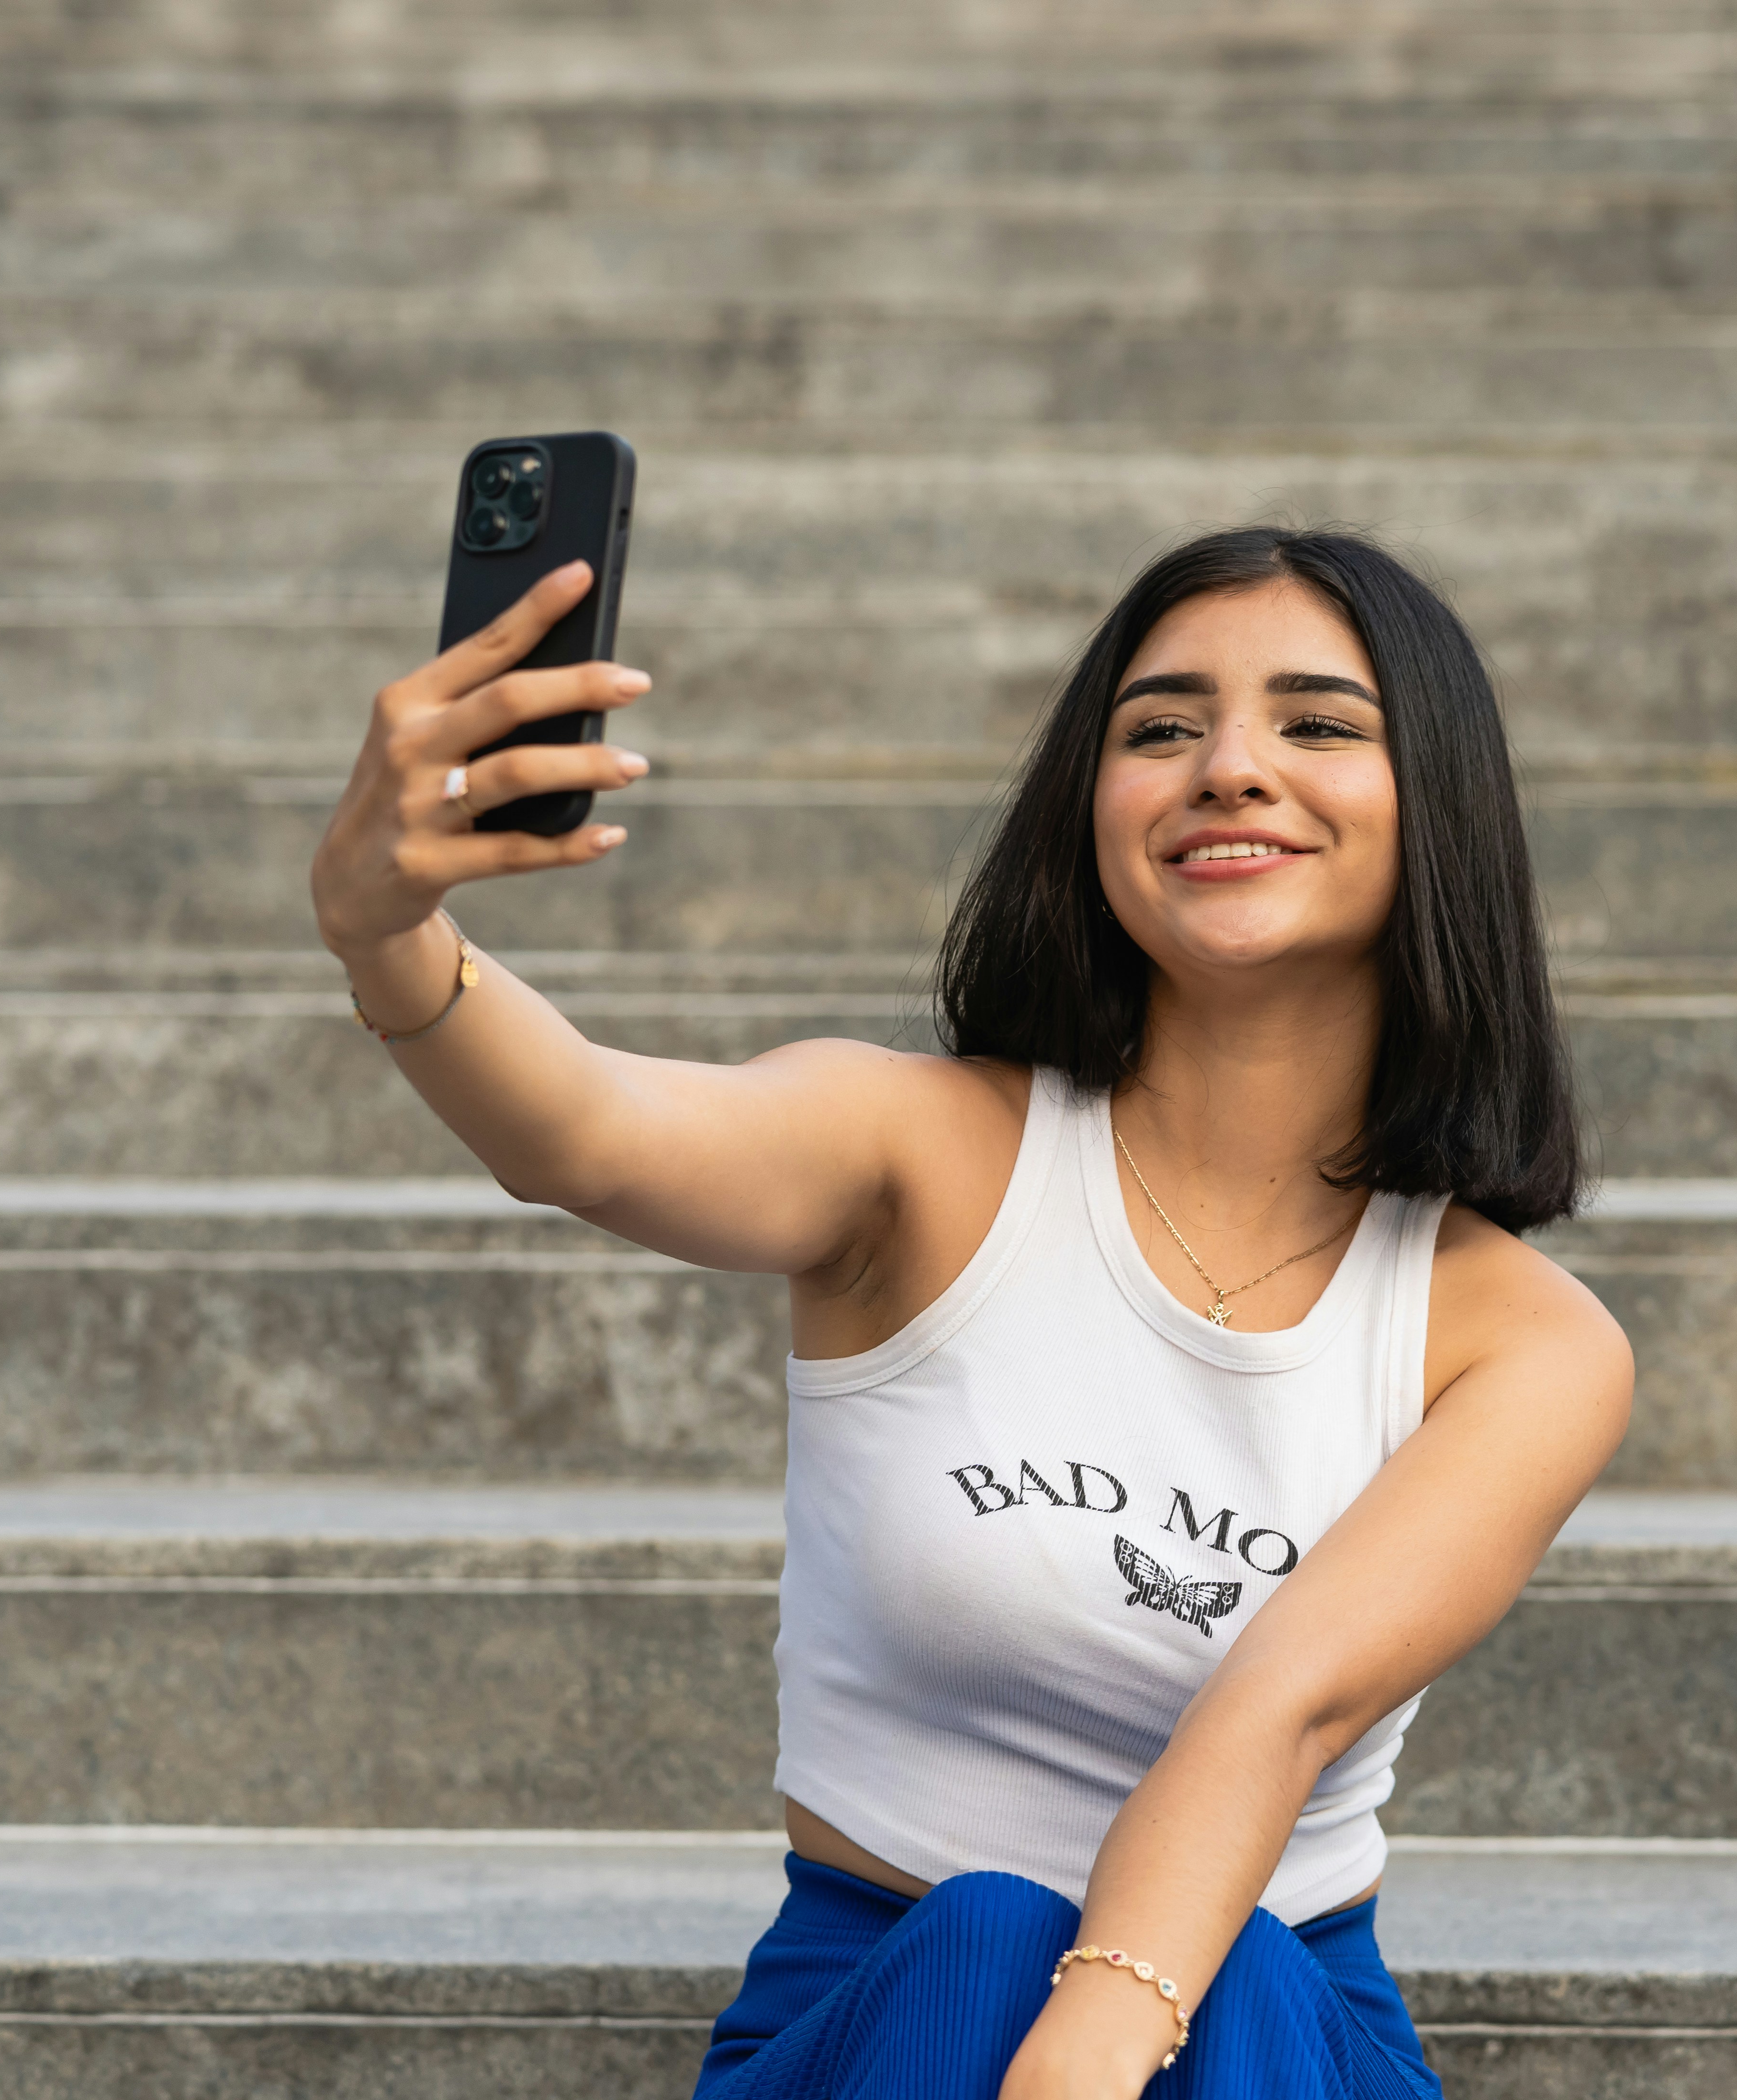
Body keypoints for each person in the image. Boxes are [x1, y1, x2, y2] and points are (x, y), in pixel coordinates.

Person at [311, 525, 1634, 2099]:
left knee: (1237, 1970)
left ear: (1441, 812)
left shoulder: (1523, 1338)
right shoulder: (917, 1155)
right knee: (988, 1935)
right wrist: (383, 927)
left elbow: (1284, 1710)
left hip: (1278, 2043)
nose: (1230, 765)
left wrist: (1091, 2045)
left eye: (1318, 724)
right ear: (1091, 810)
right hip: (882, 2014)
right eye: (1160, 727)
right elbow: (587, 1133)